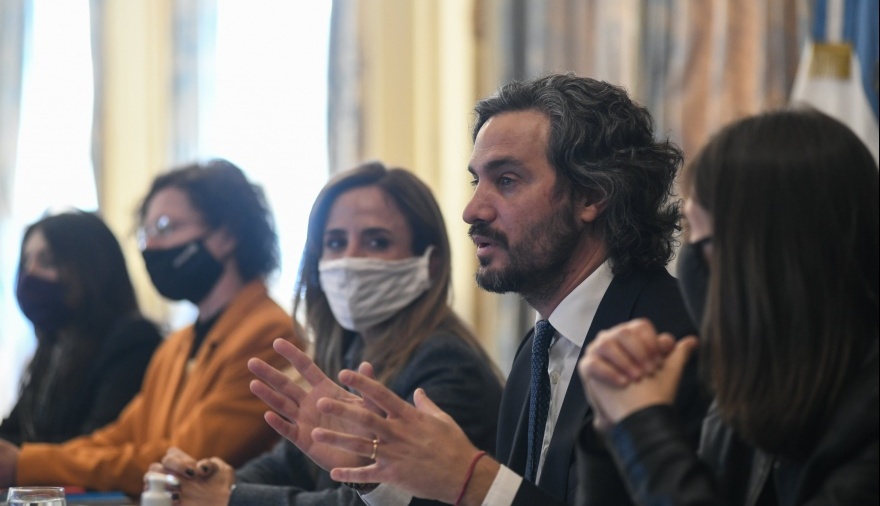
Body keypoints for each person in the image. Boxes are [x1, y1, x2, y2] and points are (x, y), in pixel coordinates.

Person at [249, 73, 708, 506]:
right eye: (477, 181)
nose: (472, 210)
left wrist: (472, 478)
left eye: (506, 181)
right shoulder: (538, 349)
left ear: (591, 196)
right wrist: (378, 477)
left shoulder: (673, 338)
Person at [150, 161, 504, 506]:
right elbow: (290, 462)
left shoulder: (446, 363)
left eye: (377, 242)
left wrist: (232, 498)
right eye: (335, 242)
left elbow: (387, 500)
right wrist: (215, 483)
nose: (350, 259)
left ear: (431, 262)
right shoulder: (349, 349)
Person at [577, 108, 879, 505]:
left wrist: (642, 428)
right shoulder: (744, 402)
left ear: (774, 259)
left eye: (702, 238)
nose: (690, 262)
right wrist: (611, 435)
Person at [0, 159, 305, 495]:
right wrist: (25, 460)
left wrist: (26, 465)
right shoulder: (177, 344)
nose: (150, 246)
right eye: (146, 233)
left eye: (165, 227)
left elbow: (181, 461)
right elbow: (119, 437)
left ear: (227, 235)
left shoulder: (270, 336)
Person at [0, 210, 161, 445]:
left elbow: (98, 446)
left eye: (47, 261)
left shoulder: (132, 341)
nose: (30, 273)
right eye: (26, 262)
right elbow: (14, 432)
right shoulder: (54, 346)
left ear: (92, 268)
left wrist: (19, 459)